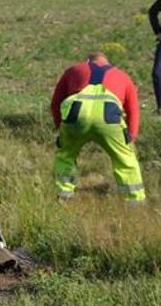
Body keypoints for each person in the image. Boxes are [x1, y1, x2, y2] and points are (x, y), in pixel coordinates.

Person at [51, 51, 145, 202]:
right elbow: (133, 110)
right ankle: (135, 201)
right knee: (125, 160)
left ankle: (64, 194)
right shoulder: (122, 76)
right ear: (107, 63)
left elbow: (56, 102)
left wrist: (59, 127)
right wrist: (131, 137)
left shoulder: (74, 70)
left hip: (76, 116)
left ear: (87, 62)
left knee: (66, 154)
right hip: (109, 119)